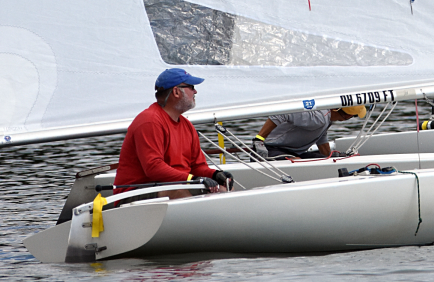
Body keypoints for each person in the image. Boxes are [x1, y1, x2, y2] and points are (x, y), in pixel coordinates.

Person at [114, 68, 232, 197]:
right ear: (176, 91)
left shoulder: (187, 126)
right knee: (179, 193)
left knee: (223, 189)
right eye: (191, 87)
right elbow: (153, 168)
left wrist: (215, 174)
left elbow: (197, 167)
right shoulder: (149, 121)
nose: (195, 91)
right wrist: (191, 179)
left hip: (174, 186)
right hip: (136, 193)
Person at [253, 105, 366, 158]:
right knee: (298, 161)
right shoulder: (319, 118)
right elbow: (282, 113)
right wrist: (259, 140)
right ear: (348, 115)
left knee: (326, 159)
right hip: (271, 149)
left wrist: (330, 156)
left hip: (294, 151)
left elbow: (320, 136)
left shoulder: (327, 118)